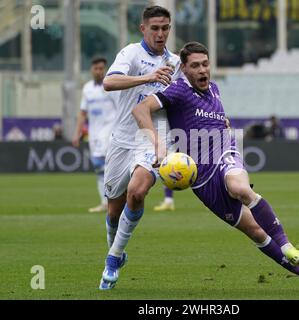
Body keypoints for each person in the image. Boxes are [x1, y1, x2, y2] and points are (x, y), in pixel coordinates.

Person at [131, 42, 299, 292]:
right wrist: (158, 145)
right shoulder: (177, 91)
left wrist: (225, 128)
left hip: (224, 153)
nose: (202, 70)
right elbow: (140, 109)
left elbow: (216, 122)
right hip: (203, 180)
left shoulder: (214, 89)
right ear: (184, 69)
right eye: (195, 66)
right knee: (256, 232)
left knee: (239, 186)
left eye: (205, 64)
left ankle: (287, 246)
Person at [99, 6, 183, 290]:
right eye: (155, 28)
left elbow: (185, 97)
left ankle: (111, 261)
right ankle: (117, 251)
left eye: (166, 28)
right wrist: (148, 77)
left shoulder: (176, 62)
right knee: (113, 210)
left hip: (153, 138)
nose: (161, 34)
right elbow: (109, 82)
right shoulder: (131, 53)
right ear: (143, 28)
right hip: (122, 138)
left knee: (137, 190)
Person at [72, 56, 117, 213]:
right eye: (96, 69)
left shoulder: (110, 86)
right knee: (99, 168)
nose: (99, 72)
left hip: (111, 132)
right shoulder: (87, 88)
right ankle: (105, 202)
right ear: (91, 70)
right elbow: (83, 113)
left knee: (105, 166)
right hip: (94, 134)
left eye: (101, 69)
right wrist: (77, 133)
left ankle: (112, 201)